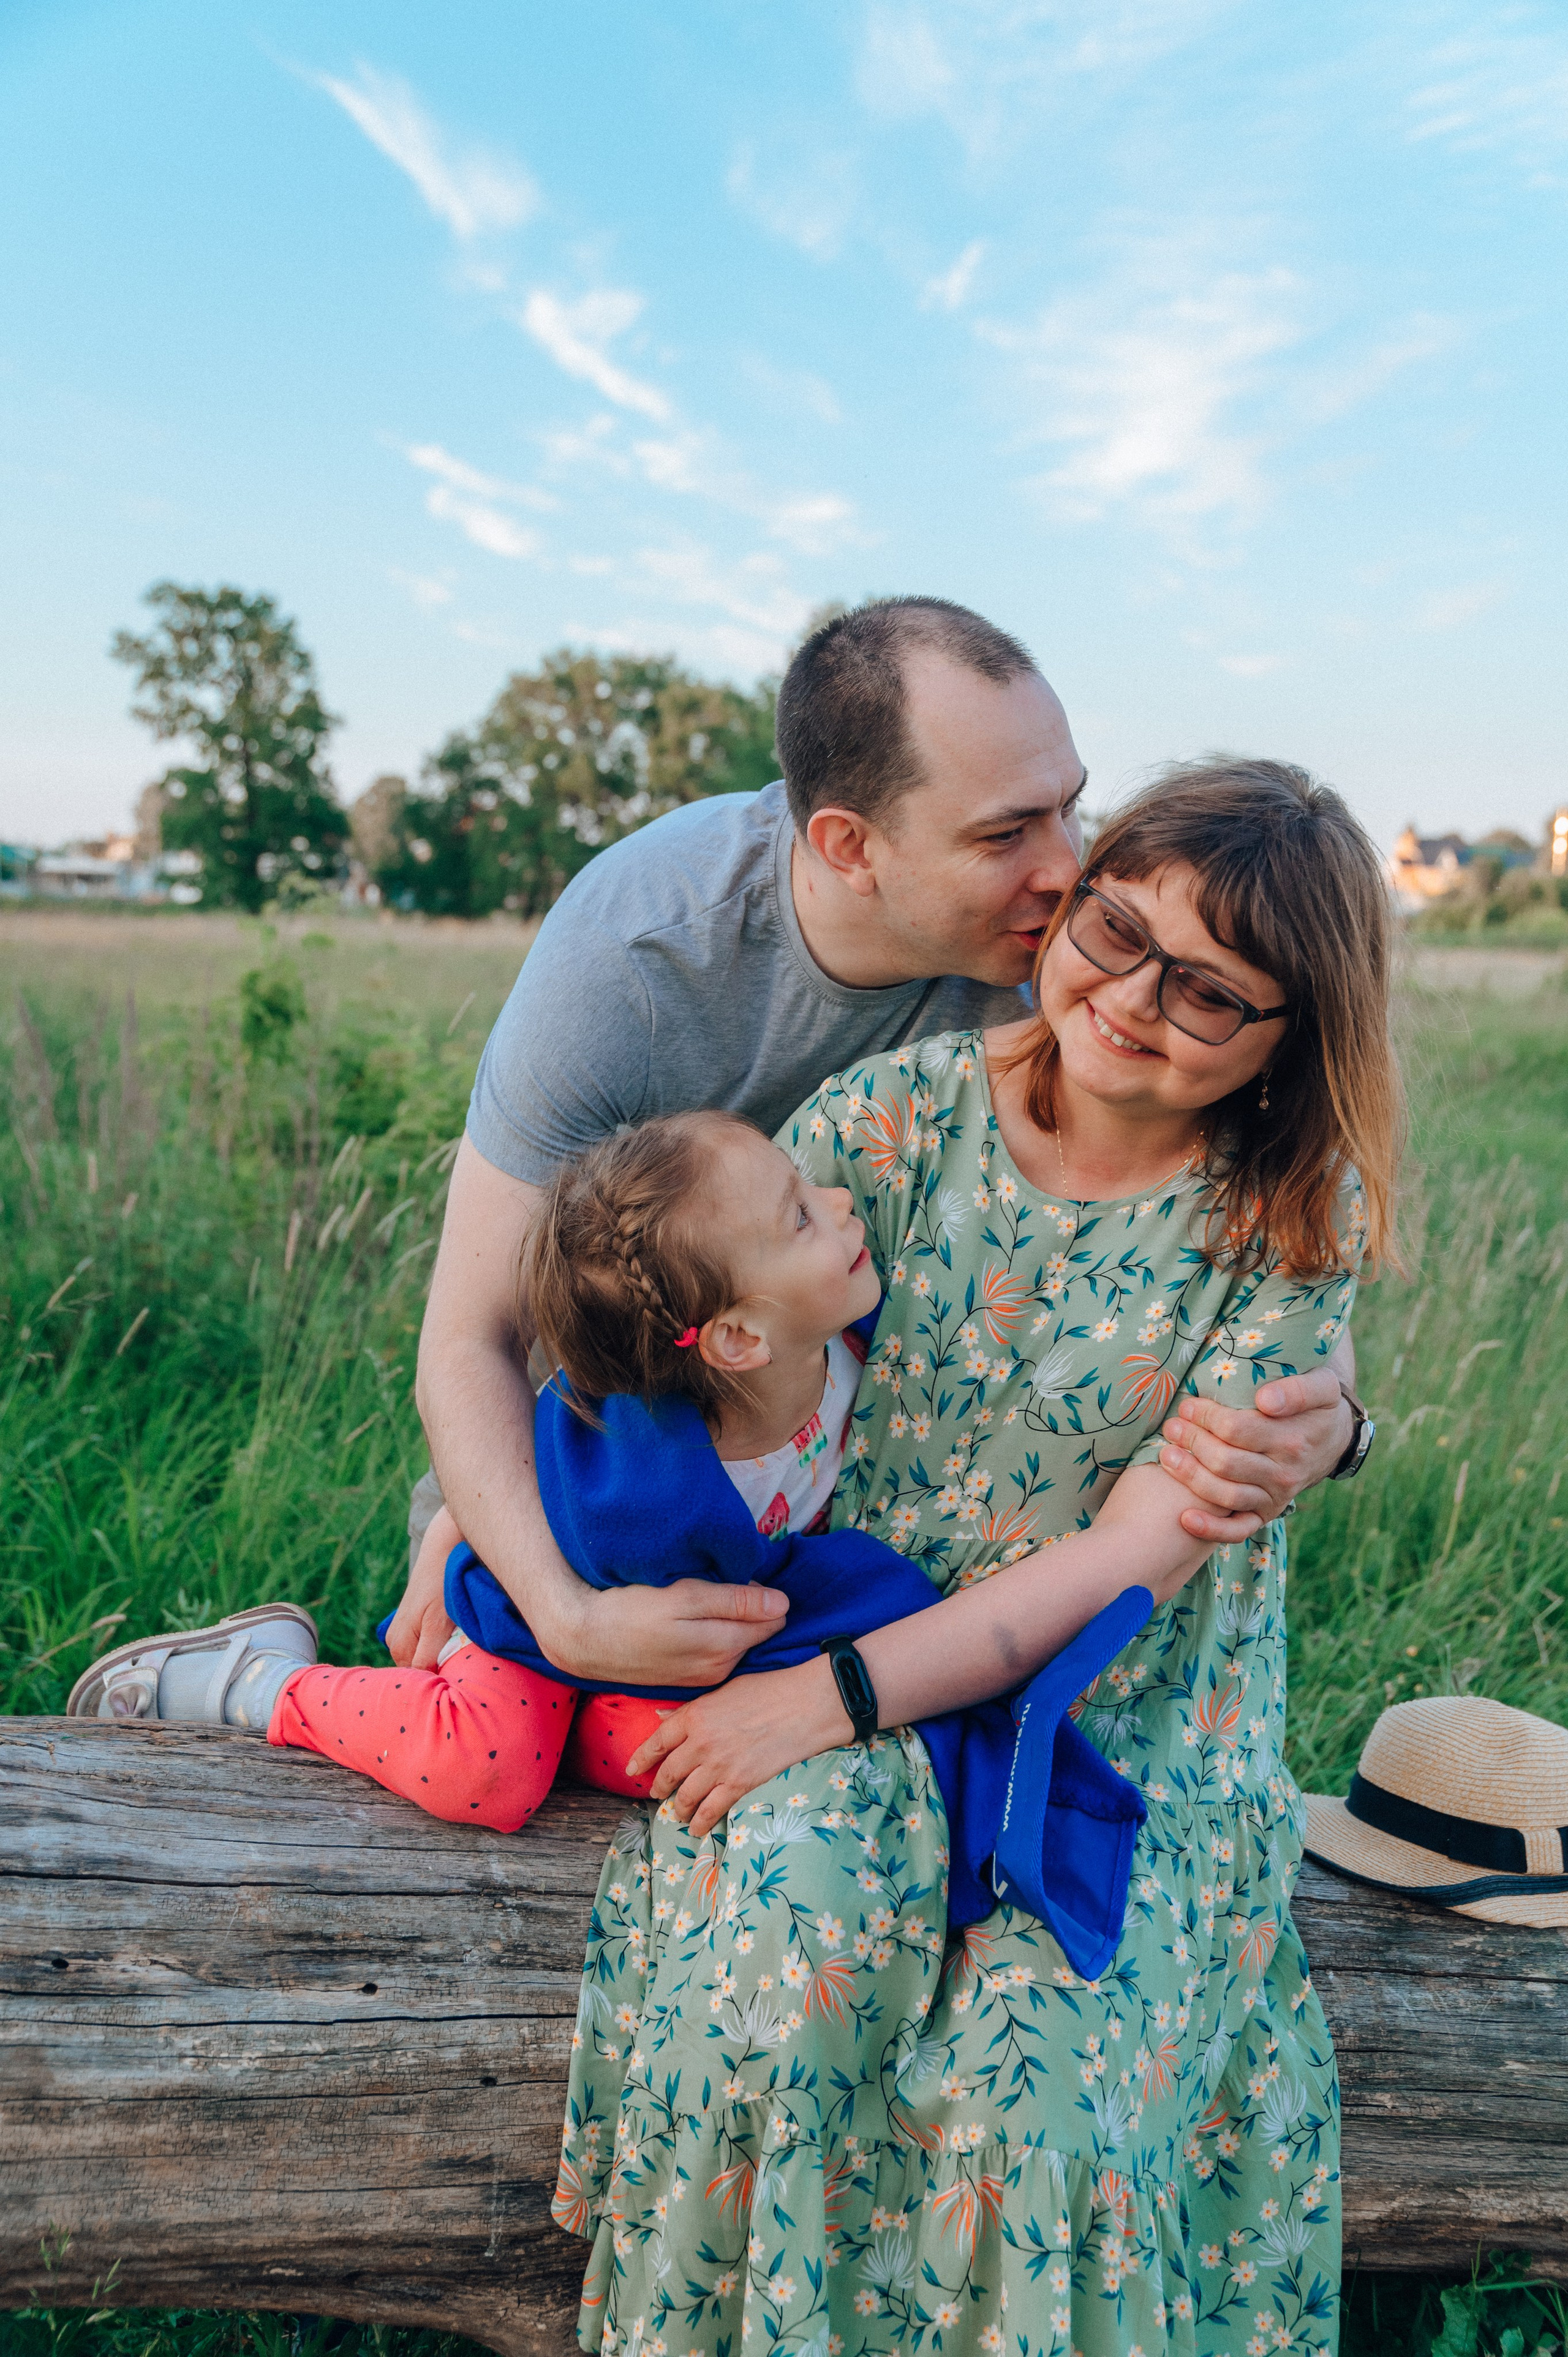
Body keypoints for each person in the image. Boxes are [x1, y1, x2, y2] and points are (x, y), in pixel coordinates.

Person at [551, 759, 1401, 2357]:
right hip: (845, 1617)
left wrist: (831, 1703)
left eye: (1209, 990)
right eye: (1113, 927)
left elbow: (1129, 1561)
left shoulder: (1288, 1219)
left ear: (1292, 1032)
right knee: (779, 1999)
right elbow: (695, 1349)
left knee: (1044, 2114)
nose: (1129, 996)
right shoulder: (894, 1115)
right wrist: (500, 1540)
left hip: (1119, 1692)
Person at [394, 600, 1360, 1703]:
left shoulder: (1084, 964)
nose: (1068, 869)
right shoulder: (634, 961)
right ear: (852, 846)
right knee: (489, 1755)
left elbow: (1251, 1227)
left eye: (1070, 807)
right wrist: (556, 1605)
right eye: (1006, 834)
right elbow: (475, 1336)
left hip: (842, 1539)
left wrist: (1334, 1414)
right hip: (584, 1485)